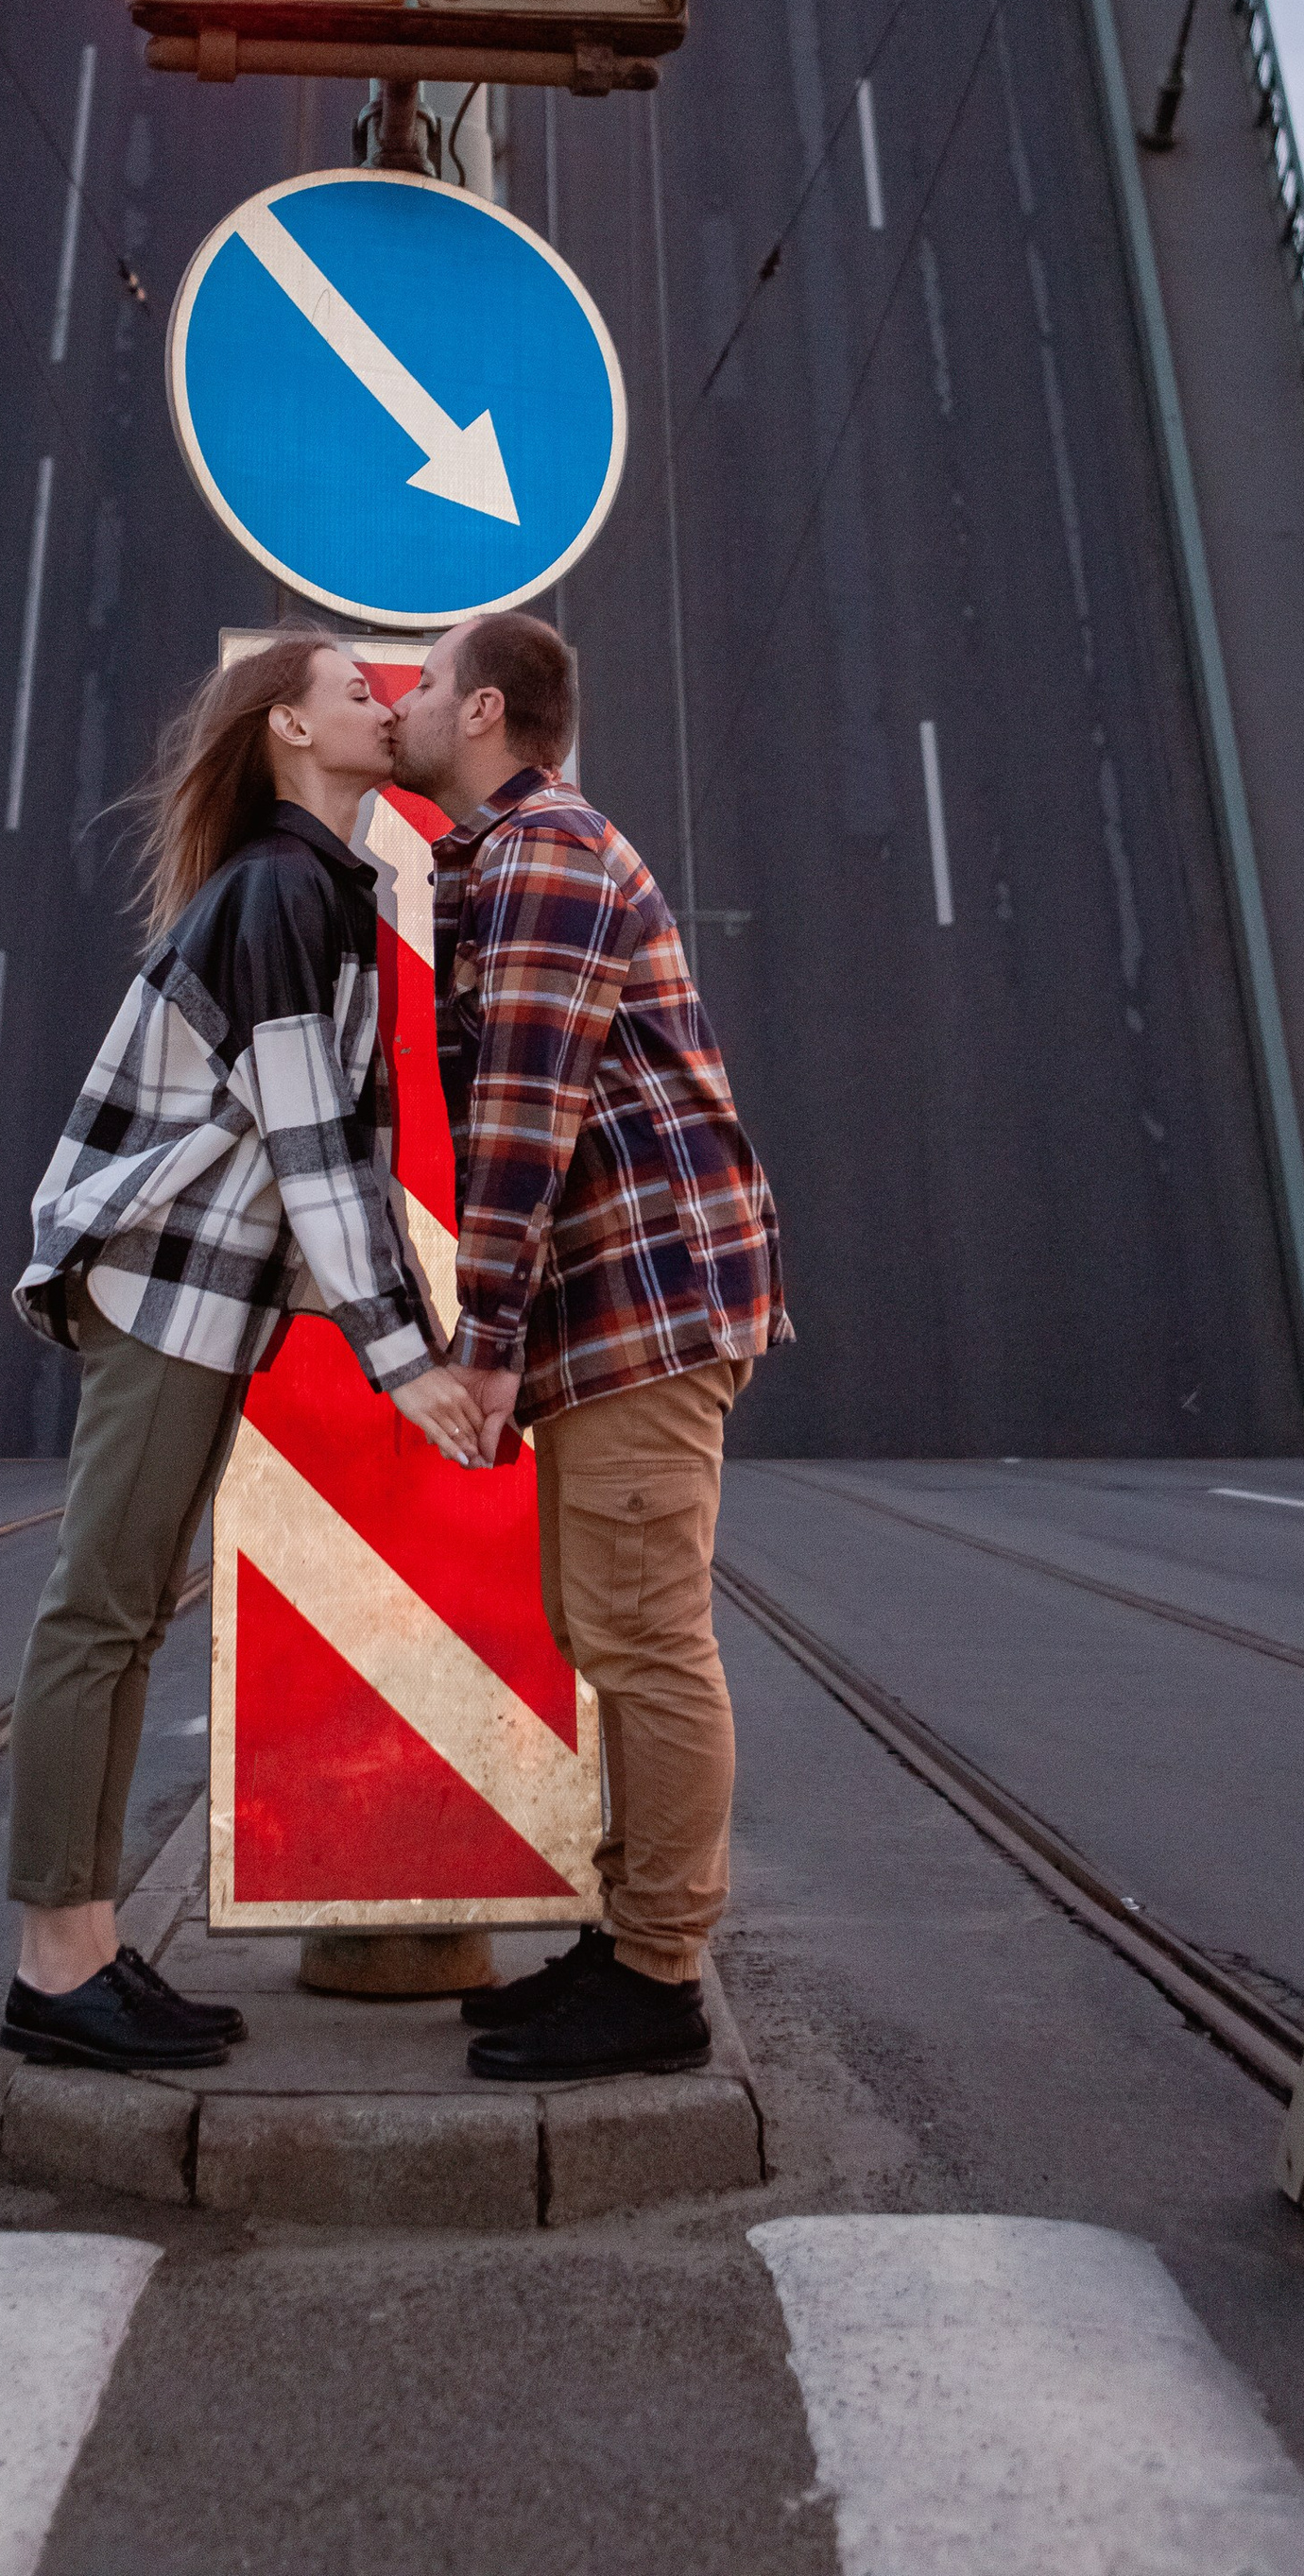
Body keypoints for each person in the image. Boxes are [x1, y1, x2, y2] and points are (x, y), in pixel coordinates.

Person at [2, 633, 488, 2074]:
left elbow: (328, 1154)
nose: (385, 701)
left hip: (205, 1294)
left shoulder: (323, 888)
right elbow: (315, 1146)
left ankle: (83, 1947)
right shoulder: (282, 891)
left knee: (128, 1614)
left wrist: (400, 1337)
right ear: (286, 727)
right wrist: (413, 1358)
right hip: (162, 1288)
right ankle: (55, 1962)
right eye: (356, 688)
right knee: (99, 1612)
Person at [388, 610, 788, 2081]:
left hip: (646, 1295)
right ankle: (628, 1945)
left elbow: (522, 1109)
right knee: (602, 1623)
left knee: (644, 1636)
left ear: (484, 711)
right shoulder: (504, 859)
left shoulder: (545, 854)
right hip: (619, 1298)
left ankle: (662, 1974)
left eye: (424, 682)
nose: (405, 700)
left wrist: (482, 1339)